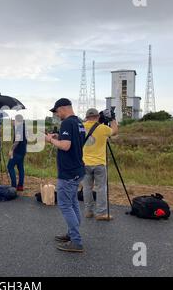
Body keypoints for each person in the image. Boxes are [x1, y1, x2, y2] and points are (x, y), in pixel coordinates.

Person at [45, 98, 86, 253]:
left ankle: (76, 241)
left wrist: (50, 140)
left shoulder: (67, 123)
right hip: (77, 169)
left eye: (56, 112)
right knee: (73, 202)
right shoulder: (79, 123)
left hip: (68, 172)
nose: (56, 115)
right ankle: (71, 234)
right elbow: (73, 141)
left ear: (63, 109)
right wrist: (58, 136)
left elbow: (66, 146)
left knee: (65, 205)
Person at [82, 108, 118, 221]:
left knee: (87, 188)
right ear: (98, 117)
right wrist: (112, 119)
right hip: (99, 163)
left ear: (86, 117)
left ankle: (88, 211)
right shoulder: (103, 128)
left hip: (84, 163)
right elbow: (115, 131)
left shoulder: (81, 127)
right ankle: (101, 213)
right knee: (101, 188)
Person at [7, 114, 27, 191]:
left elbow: (17, 141)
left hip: (17, 151)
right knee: (20, 168)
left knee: (10, 166)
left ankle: (13, 186)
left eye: (14, 120)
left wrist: (11, 150)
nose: (13, 122)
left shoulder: (19, 128)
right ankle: (20, 186)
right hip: (23, 151)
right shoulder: (24, 127)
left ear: (17, 121)